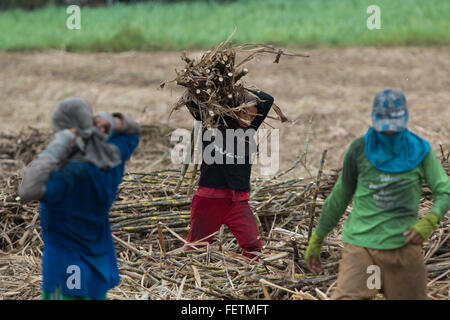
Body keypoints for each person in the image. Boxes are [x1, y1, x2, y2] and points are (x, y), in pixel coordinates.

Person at [304, 89, 449, 299]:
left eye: (394, 129)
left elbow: (444, 190)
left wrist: (431, 220)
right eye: (384, 129)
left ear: (405, 120)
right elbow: (340, 196)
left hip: (403, 247)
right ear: (374, 120)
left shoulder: (420, 151)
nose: (389, 133)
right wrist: (317, 238)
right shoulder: (359, 149)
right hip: (361, 247)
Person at [19, 97, 140, 300]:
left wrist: (55, 148)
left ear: (68, 134)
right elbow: (133, 131)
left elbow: (27, 190)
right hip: (97, 268)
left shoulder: (66, 176)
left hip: (64, 272)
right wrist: (111, 121)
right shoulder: (111, 160)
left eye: (56, 131)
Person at [184, 90, 274, 259]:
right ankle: (192, 275)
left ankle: (251, 279)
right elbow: (190, 99)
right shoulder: (212, 123)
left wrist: (233, 87)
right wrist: (223, 99)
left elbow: (268, 99)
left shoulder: (250, 129)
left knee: (254, 247)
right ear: (234, 109)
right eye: (244, 114)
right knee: (196, 247)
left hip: (238, 201)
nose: (249, 120)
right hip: (209, 200)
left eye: (253, 116)